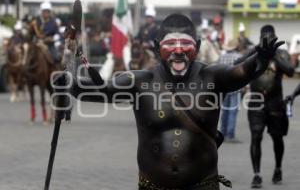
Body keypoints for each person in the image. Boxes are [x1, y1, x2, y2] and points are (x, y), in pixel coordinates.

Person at [56, 14, 283, 190]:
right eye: (170, 45)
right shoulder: (140, 81)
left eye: (185, 45)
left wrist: (260, 58)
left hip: (203, 184)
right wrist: (68, 82)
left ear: (197, 44)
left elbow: (242, 72)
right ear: (157, 46)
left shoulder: (211, 77)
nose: (178, 51)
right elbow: (101, 89)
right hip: (152, 185)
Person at [236, 25, 294, 188]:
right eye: (264, 38)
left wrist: (273, 54)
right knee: (256, 136)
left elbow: (290, 71)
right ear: (260, 39)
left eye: (270, 38)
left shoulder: (282, 53)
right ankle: (257, 174)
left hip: (275, 102)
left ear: (275, 37)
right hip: (256, 102)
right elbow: (236, 65)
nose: (267, 41)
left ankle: (278, 168)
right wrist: (257, 52)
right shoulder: (254, 53)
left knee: (277, 138)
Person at [219, 39, 242, 142]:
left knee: (225, 111)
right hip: (235, 88)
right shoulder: (239, 57)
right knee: (233, 111)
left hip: (224, 87)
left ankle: (222, 132)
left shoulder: (222, 57)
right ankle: (230, 134)